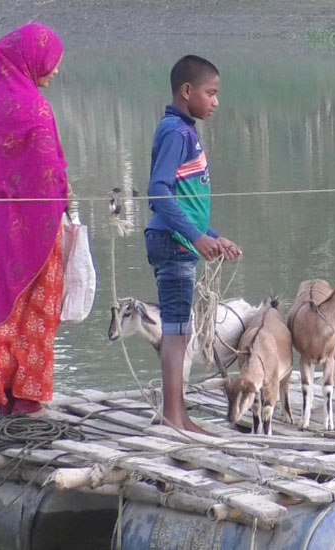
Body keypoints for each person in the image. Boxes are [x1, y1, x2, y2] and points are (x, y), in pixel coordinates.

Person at [0, 23, 68, 417]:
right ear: (32, 59)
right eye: (51, 62)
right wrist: (64, 199)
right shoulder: (35, 107)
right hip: (34, 223)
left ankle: (3, 397)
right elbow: (49, 173)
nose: (54, 70)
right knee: (37, 305)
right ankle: (28, 398)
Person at [145, 55, 241, 433]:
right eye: (211, 93)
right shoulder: (175, 133)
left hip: (181, 241)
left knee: (181, 330)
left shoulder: (186, 131)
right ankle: (174, 416)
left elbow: (187, 201)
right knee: (176, 330)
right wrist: (195, 237)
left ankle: (179, 413)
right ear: (187, 91)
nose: (216, 101)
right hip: (172, 243)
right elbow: (158, 192)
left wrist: (214, 237)